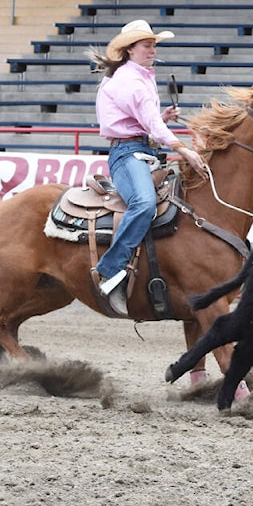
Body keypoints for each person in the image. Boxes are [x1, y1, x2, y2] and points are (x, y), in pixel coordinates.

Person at [86, 20, 208, 315]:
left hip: (139, 149)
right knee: (143, 203)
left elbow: (146, 122)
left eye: (153, 45)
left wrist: (161, 117)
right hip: (127, 154)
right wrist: (183, 149)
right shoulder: (131, 80)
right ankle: (110, 270)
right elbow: (147, 123)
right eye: (146, 45)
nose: (152, 49)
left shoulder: (138, 76)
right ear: (130, 50)